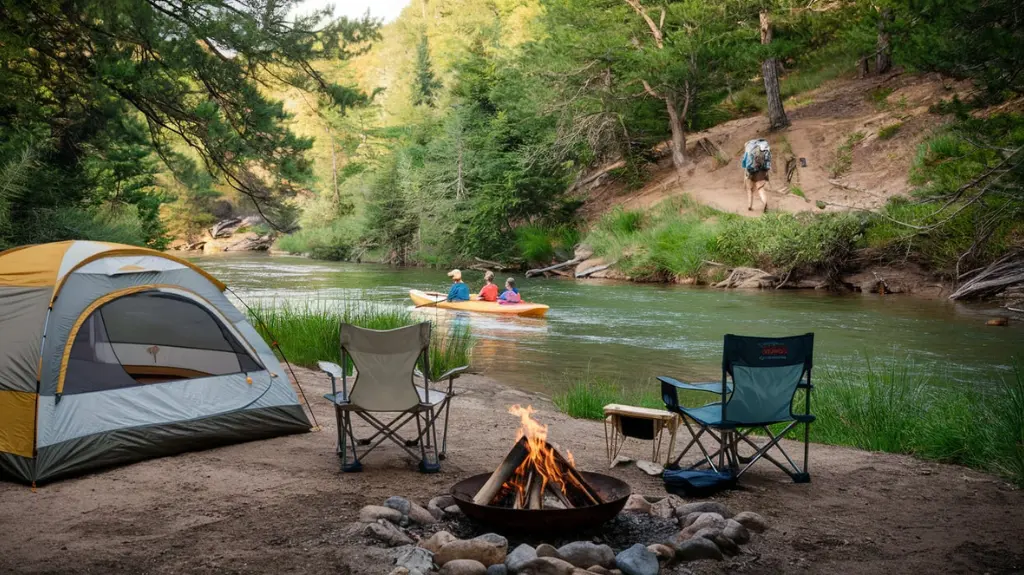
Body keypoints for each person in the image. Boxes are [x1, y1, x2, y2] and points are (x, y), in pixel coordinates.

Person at [742, 138, 772, 213]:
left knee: (749, 189)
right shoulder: (763, 148)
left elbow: (744, 164)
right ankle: (765, 203)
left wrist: (745, 177)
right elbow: (768, 161)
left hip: (750, 171)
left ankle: (750, 206)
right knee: (760, 188)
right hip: (761, 170)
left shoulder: (748, 150)